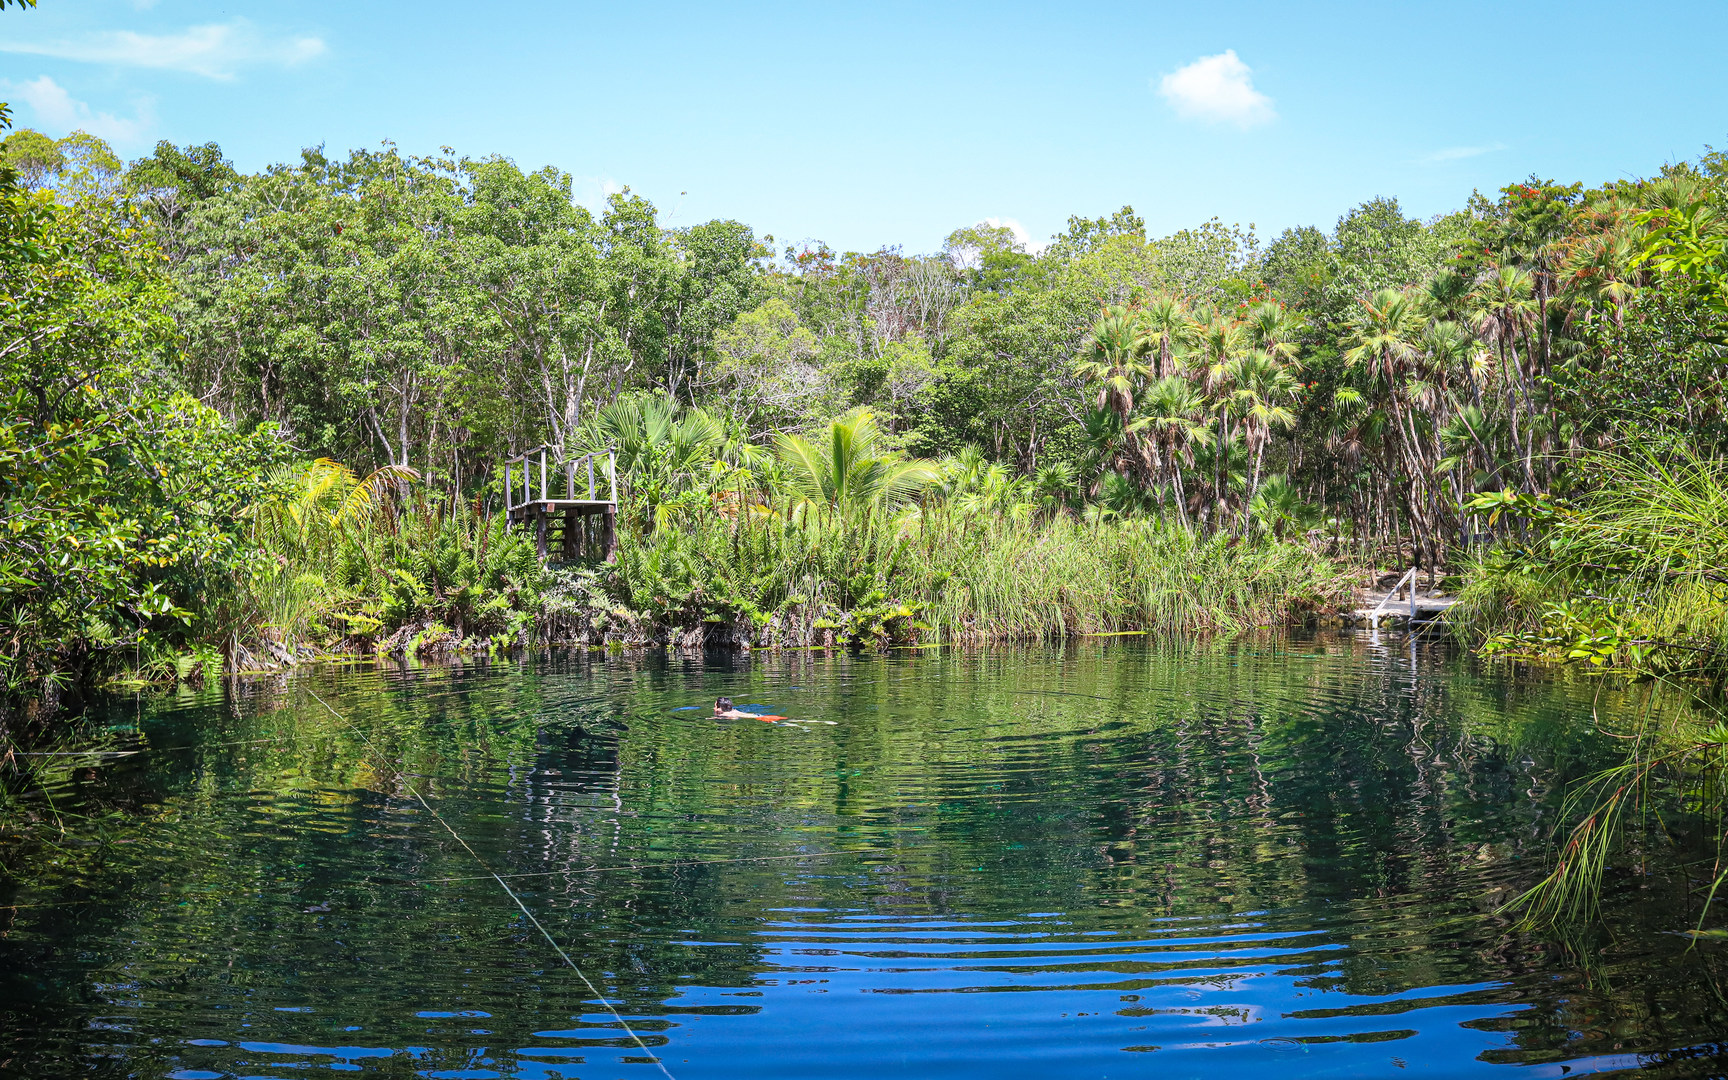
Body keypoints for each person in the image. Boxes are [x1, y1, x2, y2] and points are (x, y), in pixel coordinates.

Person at [713, 697, 784, 721]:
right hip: (757, 716)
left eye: (715, 706)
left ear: (720, 708)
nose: (714, 708)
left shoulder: (725, 714)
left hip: (759, 717)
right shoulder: (733, 710)